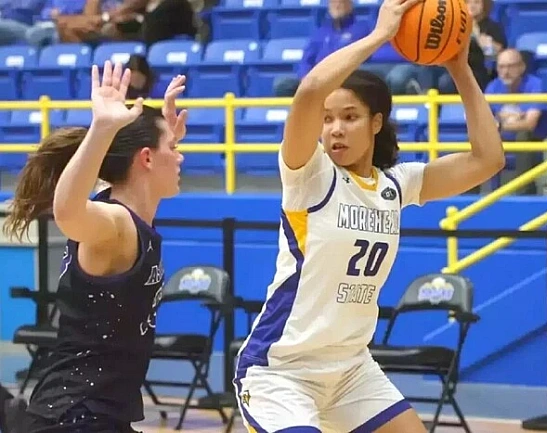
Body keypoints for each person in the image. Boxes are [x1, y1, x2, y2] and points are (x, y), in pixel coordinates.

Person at [233, 0, 505, 431]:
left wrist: (459, 67)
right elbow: (309, 91)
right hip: (280, 372)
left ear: (376, 123)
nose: (335, 129)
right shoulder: (310, 176)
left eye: (349, 117)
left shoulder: (397, 185)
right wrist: (379, 36)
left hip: (351, 371)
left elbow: (488, 159)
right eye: (327, 119)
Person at [1, 61, 187, 433]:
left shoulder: (127, 211)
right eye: (173, 148)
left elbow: (117, 164)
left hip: (94, 416)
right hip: (74, 418)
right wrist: (103, 128)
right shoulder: (114, 223)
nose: (180, 156)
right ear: (146, 158)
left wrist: (161, 132)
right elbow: (68, 210)